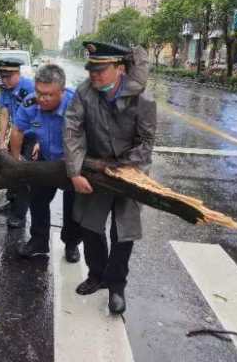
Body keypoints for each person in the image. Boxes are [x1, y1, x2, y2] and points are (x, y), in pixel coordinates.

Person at [64, 41, 155, 315]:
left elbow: (146, 141)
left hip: (131, 172)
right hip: (96, 167)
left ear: (119, 68)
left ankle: (116, 286)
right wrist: (75, 171)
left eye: (101, 69)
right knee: (91, 227)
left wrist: (125, 169)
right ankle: (96, 275)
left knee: (123, 232)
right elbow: (72, 131)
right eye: (91, 68)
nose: (95, 74)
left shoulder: (142, 99)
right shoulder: (84, 93)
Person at [9, 64, 83, 262]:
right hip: (46, 158)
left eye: (50, 94)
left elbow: (91, 134)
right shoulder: (30, 102)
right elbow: (17, 130)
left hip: (73, 161)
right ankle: (39, 241)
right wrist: (16, 160)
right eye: (40, 93)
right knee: (38, 199)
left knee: (74, 205)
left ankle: (71, 244)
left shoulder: (76, 103)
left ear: (62, 90)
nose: (44, 99)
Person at [0, 57, 36, 228]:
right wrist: (2, 139)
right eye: (2, 77)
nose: (4, 80)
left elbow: (41, 116)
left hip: (31, 136)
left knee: (24, 175)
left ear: (18, 74)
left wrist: (39, 142)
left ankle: (19, 214)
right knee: (11, 169)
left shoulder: (30, 87)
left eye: (8, 77)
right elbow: (4, 114)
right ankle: (11, 202)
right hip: (15, 135)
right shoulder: (5, 89)